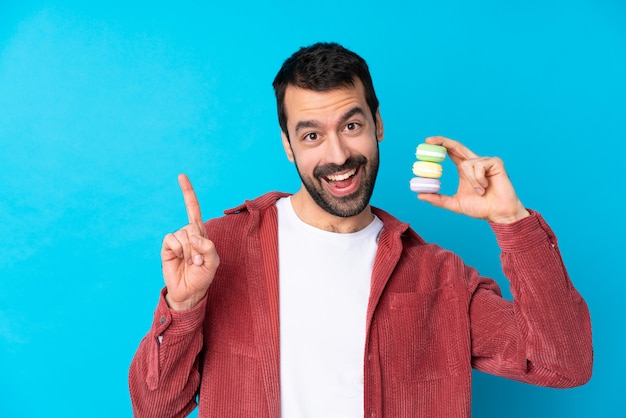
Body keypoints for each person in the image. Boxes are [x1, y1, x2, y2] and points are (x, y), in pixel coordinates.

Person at [128, 42, 592, 418]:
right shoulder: (219, 251)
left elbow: (563, 363)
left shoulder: (440, 278)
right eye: (311, 135)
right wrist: (184, 306)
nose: (337, 154)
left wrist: (512, 223)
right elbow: (156, 410)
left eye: (351, 125)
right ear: (288, 147)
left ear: (378, 125)